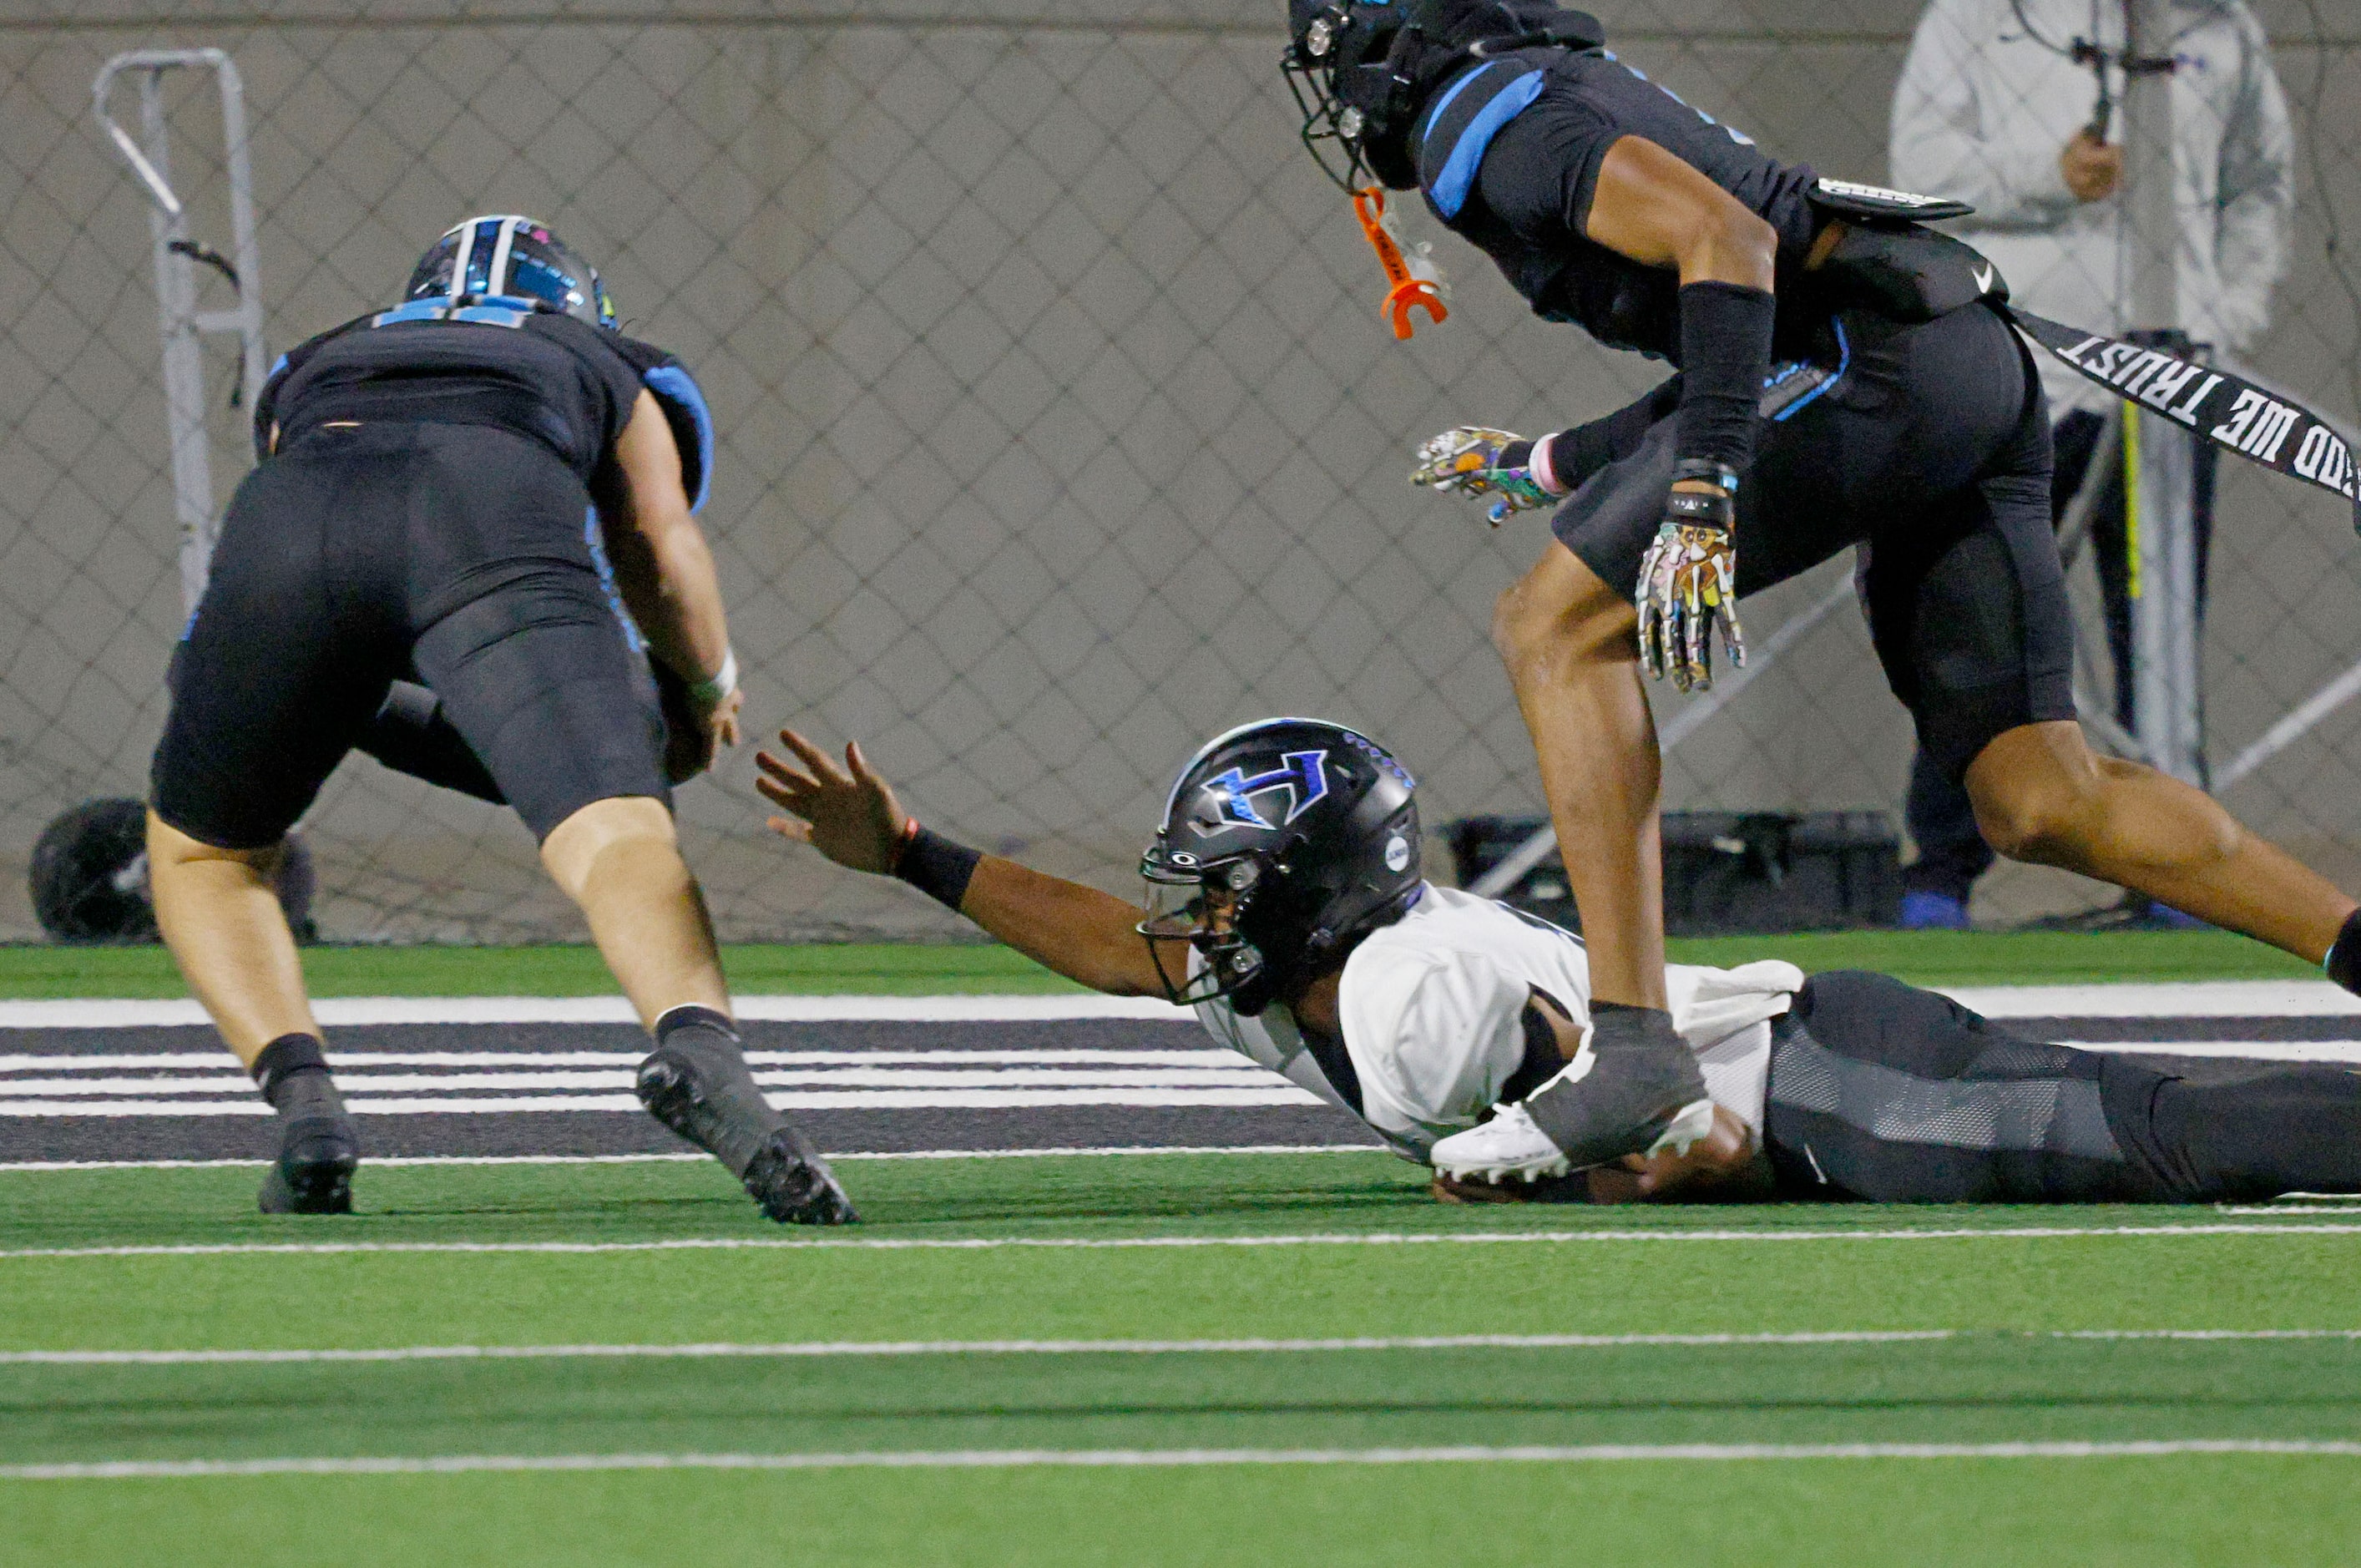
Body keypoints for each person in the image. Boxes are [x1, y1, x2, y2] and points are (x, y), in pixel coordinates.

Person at [1273, 0, 2359, 1178]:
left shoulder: (1496, 124)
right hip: (1945, 355)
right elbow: (1740, 337)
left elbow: (1728, 247)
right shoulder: (1547, 91)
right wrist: (1553, 462)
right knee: (2040, 795)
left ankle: (1634, 1046)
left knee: (1554, 625)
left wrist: (1703, 491)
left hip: (1878, 366)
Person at [755, 716, 2361, 1206]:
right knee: (2144, 1126)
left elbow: (1664, 1127)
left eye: (1222, 891)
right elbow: (1116, 948)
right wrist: (911, 852)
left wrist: (1578, 1159)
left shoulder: (1398, 985)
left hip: (1820, 1076)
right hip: (1807, 1078)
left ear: (1309, 893)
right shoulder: (1294, 969)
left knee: (2152, 1137)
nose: (1188, 922)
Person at [147, 215, 855, 1225]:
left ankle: (306, 1110)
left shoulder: (322, 357)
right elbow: (656, 546)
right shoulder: (605, 358)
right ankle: (699, 1053)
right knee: (615, 836)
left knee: (204, 853)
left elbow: (301, 548)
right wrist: (703, 692)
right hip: (483, 519)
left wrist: (310, 697)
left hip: (287, 535)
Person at [1888, 0, 2294, 928]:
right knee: (1979, 620)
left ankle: (2169, 874)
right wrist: (2046, 176)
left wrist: (2222, 321)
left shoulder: (2221, 25)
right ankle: (1938, 873)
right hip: (2017, 370)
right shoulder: (1975, 15)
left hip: (2168, 381)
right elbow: (1919, 169)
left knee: (2158, 632)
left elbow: (2259, 186)